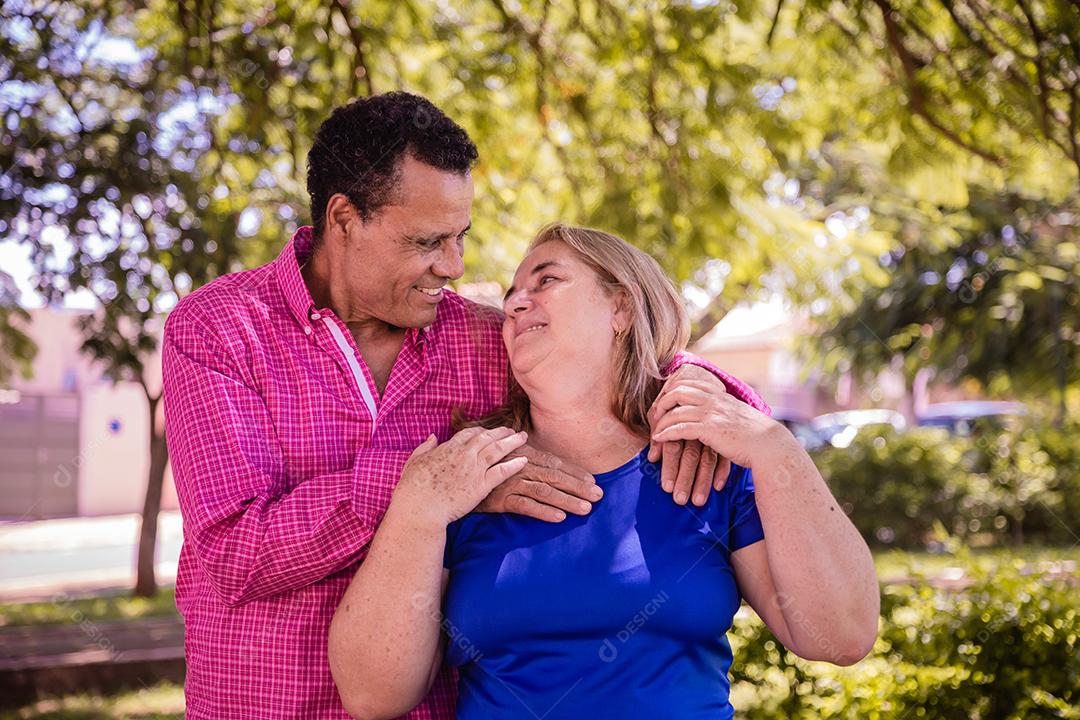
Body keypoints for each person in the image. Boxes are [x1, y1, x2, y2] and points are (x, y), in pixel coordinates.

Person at [162, 92, 767, 719]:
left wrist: (713, 400)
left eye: (460, 237)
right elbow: (234, 552)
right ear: (343, 219)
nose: (452, 266)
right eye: (428, 241)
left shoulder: (482, 338)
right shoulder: (219, 329)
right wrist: (429, 488)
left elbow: (618, 356)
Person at [328, 224, 880, 720]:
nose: (517, 303)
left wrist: (776, 448)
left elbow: (843, 635)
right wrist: (417, 509)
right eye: (511, 295)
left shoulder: (709, 467)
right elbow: (374, 696)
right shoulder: (469, 476)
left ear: (621, 307)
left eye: (546, 281)